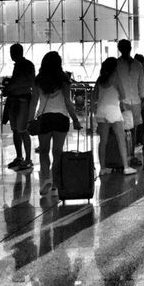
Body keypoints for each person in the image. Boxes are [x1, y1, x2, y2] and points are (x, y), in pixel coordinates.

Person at [30, 50, 82, 197]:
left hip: (44, 119)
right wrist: (75, 120)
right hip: (61, 118)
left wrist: (29, 120)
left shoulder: (38, 80)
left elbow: (34, 102)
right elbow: (68, 102)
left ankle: (46, 179)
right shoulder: (64, 79)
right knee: (57, 152)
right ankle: (55, 181)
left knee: (44, 151)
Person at [93, 56, 134, 175]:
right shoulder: (116, 78)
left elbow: (94, 96)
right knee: (121, 139)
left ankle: (103, 168)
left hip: (101, 112)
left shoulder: (100, 79)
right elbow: (123, 96)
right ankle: (126, 167)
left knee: (103, 141)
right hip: (114, 111)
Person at [2, 42, 36, 170]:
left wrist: (12, 86)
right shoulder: (20, 65)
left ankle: (27, 159)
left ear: (19, 53)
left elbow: (30, 82)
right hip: (15, 100)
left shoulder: (26, 65)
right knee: (16, 130)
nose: (11, 55)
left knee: (22, 130)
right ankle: (20, 157)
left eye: (13, 53)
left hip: (22, 101)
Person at [114, 39, 144, 160]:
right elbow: (115, 85)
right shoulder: (116, 65)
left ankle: (131, 155)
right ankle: (124, 156)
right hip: (122, 101)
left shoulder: (138, 65)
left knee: (134, 129)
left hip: (136, 101)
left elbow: (141, 83)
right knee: (123, 130)